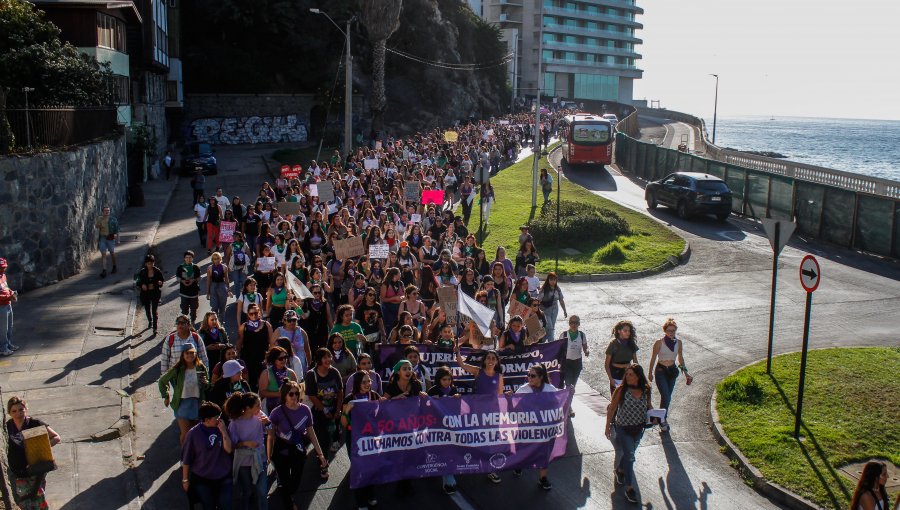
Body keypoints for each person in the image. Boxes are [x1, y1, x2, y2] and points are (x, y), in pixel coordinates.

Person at [267, 381, 329, 510]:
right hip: (281, 451)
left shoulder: (305, 410)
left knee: (295, 482)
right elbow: (271, 436)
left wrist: (321, 454)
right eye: (291, 394)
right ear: (284, 395)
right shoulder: (277, 412)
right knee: (284, 481)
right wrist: (268, 455)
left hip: (298, 450)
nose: (295, 396)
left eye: (297, 393)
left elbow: (311, 433)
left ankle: (288, 494)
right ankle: (289, 503)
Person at [455, 347, 505, 483]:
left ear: (497, 362)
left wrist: (500, 415)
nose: (490, 360)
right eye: (488, 358)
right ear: (484, 360)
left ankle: (490, 469)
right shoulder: (478, 372)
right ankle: (470, 463)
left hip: (492, 414)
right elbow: (462, 364)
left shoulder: (499, 376)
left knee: (491, 441)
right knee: (475, 437)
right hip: (477, 412)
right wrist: (457, 352)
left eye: (493, 358)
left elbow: (500, 396)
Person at [605, 364, 652, 504]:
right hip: (623, 428)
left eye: (631, 374)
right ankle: (629, 488)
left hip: (639, 428)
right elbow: (612, 409)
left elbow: (649, 405)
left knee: (628, 453)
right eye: (627, 374)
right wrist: (607, 426)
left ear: (638, 376)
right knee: (630, 456)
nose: (628, 377)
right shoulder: (621, 390)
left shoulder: (646, 390)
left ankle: (620, 469)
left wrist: (656, 415)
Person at [6, 396, 61, 509]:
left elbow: (56, 437)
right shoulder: (7, 427)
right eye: (14, 411)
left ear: (26, 408)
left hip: (36, 468)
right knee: (22, 499)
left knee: (38, 496)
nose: (18, 413)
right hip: (17, 470)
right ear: (9, 413)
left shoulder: (35, 423)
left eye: (21, 409)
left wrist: (41, 448)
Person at [181, 402, 233, 510]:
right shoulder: (193, 434)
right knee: (208, 506)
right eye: (216, 417)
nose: (219, 419)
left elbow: (228, 449)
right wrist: (185, 479)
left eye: (220, 415)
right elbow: (186, 458)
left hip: (223, 476)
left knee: (226, 505)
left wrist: (223, 432)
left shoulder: (222, 427)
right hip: (203, 478)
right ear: (207, 419)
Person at [340, 370, 380, 509]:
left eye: (369, 381)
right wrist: (347, 410)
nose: (368, 384)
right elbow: (343, 423)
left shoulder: (374, 395)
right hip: (354, 438)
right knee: (359, 468)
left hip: (371, 438)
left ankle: (371, 494)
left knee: (372, 467)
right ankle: (361, 500)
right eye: (364, 382)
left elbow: (384, 412)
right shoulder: (349, 399)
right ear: (357, 383)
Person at [514, 364, 557, 490]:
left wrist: (568, 394)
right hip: (526, 429)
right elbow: (513, 408)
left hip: (543, 430)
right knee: (522, 449)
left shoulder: (550, 389)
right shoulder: (523, 390)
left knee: (544, 453)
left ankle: (543, 478)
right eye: (528, 375)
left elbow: (558, 405)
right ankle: (519, 464)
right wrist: (511, 398)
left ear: (541, 377)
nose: (529, 378)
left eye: (533, 376)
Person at [647, 318, 693, 432]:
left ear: (675, 330)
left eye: (673, 330)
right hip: (661, 371)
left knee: (667, 397)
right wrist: (650, 373)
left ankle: (662, 418)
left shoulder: (679, 343)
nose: (671, 332)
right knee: (665, 396)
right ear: (665, 331)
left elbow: (680, 359)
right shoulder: (659, 343)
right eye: (669, 330)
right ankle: (662, 420)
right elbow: (653, 358)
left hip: (672, 371)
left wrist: (686, 373)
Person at [225, 392, 269, 510]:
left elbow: (271, 431)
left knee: (262, 492)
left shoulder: (260, 415)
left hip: (260, 459)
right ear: (248, 408)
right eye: (257, 406)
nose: (260, 408)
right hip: (244, 462)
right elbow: (233, 446)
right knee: (247, 491)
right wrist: (245, 443)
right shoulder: (235, 423)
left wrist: (268, 423)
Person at [159, 343, 209, 446]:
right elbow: (162, 381)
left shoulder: (201, 367)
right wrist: (166, 395)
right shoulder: (178, 369)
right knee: (186, 434)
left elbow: (207, 386)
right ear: (183, 354)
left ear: (196, 354)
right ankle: (184, 457)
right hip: (182, 405)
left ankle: (193, 457)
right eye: (187, 353)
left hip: (197, 403)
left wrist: (206, 383)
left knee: (195, 433)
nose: (190, 355)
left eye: (192, 353)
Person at [304, 348, 344, 456]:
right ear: (319, 359)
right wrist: (324, 410)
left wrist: (338, 409)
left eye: (329, 357)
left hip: (334, 408)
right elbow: (312, 396)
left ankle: (335, 441)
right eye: (324, 357)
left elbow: (340, 392)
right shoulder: (311, 375)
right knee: (322, 438)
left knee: (334, 429)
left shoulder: (334, 372)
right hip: (318, 412)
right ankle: (322, 461)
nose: (328, 360)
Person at [235, 304, 274, 392]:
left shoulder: (266, 325)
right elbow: (239, 344)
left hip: (262, 358)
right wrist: (236, 355)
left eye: (256, 313)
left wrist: (270, 356)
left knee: (264, 383)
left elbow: (272, 342)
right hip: (248, 359)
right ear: (248, 314)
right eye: (251, 313)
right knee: (250, 383)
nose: (254, 315)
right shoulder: (243, 327)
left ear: (259, 312)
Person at [560, 315, 589, 416]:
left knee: (573, 386)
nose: (574, 325)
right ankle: (568, 408)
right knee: (569, 385)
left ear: (579, 324)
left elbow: (585, 346)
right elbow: (558, 348)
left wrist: (586, 351)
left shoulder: (581, 335)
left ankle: (567, 404)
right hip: (567, 363)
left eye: (576, 323)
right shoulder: (563, 335)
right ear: (569, 323)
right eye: (572, 322)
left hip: (577, 363)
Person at [258, 346, 299, 412]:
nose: (284, 360)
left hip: (290, 407)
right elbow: (262, 393)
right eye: (280, 358)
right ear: (274, 359)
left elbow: (297, 390)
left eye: (285, 357)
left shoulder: (291, 372)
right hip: (272, 407)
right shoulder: (266, 373)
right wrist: (280, 394)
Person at [604, 320, 639, 395]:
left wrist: (638, 375)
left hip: (628, 375)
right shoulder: (613, 344)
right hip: (615, 375)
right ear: (619, 331)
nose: (628, 333)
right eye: (625, 331)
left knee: (627, 400)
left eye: (629, 331)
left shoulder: (631, 344)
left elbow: (635, 361)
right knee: (615, 400)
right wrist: (610, 379)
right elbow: (607, 365)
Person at [136, 253, 164, 333]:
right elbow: (138, 281)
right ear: (146, 263)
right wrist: (142, 285)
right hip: (145, 294)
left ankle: (155, 327)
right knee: (147, 309)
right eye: (148, 263)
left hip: (155, 293)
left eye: (152, 263)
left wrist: (160, 282)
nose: (150, 265)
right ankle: (150, 321)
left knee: (154, 311)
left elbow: (162, 280)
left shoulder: (157, 271)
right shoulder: (142, 272)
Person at [538, 272, 567, 342]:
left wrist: (565, 311)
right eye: (551, 279)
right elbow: (538, 300)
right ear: (548, 280)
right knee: (549, 327)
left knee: (551, 327)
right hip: (545, 310)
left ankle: (543, 340)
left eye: (554, 280)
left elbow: (561, 300)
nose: (553, 281)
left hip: (555, 309)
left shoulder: (557, 288)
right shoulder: (544, 289)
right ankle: (551, 342)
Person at [206, 252, 233, 324]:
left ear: (220, 259)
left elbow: (227, 279)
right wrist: (208, 292)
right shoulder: (210, 268)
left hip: (222, 286)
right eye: (215, 259)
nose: (216, 260)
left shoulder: (224, 267)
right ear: (212, 260)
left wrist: (229, 290)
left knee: (222, 305)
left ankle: (221, 321)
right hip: (213, 287)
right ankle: (214, 321)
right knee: (214, 306)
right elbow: (208, 280)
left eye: (218, 258)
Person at [0, 258, 20, 355]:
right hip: (1, 307)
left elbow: (6, 288)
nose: (3, 270)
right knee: (3, 329)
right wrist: (9, 296)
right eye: (1, 268)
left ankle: (8, 344)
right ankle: (3, 348)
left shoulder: (3, 276)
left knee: (9, 327)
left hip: (8, 304)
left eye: (4, 268)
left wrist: (11, 292)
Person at [176, 250, 202, 323]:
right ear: (184, 258)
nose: (188, 259)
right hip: (184, 292)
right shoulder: (180, 267)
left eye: (190, 257)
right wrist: (182, 281)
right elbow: (177, 277)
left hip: (194, 292)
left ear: (192, 258)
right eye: (186, 257)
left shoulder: (195, 267)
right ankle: (185, 321)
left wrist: (193, 280)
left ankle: (193, 321)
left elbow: (199, 277)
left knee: (194, 308)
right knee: (184, 308)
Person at [95, 205, 119, 277]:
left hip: (110, 238)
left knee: (112, 253)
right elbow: (97, 226)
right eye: (105, 211)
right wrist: (99, 224)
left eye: (108, 211)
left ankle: (114, 266)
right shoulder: (100, 218)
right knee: (103, 254)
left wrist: (118, 240)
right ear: (103, 212)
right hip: (103, 238)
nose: (107, 212)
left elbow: (117, 230)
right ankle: (104, 270)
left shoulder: (113, 219)